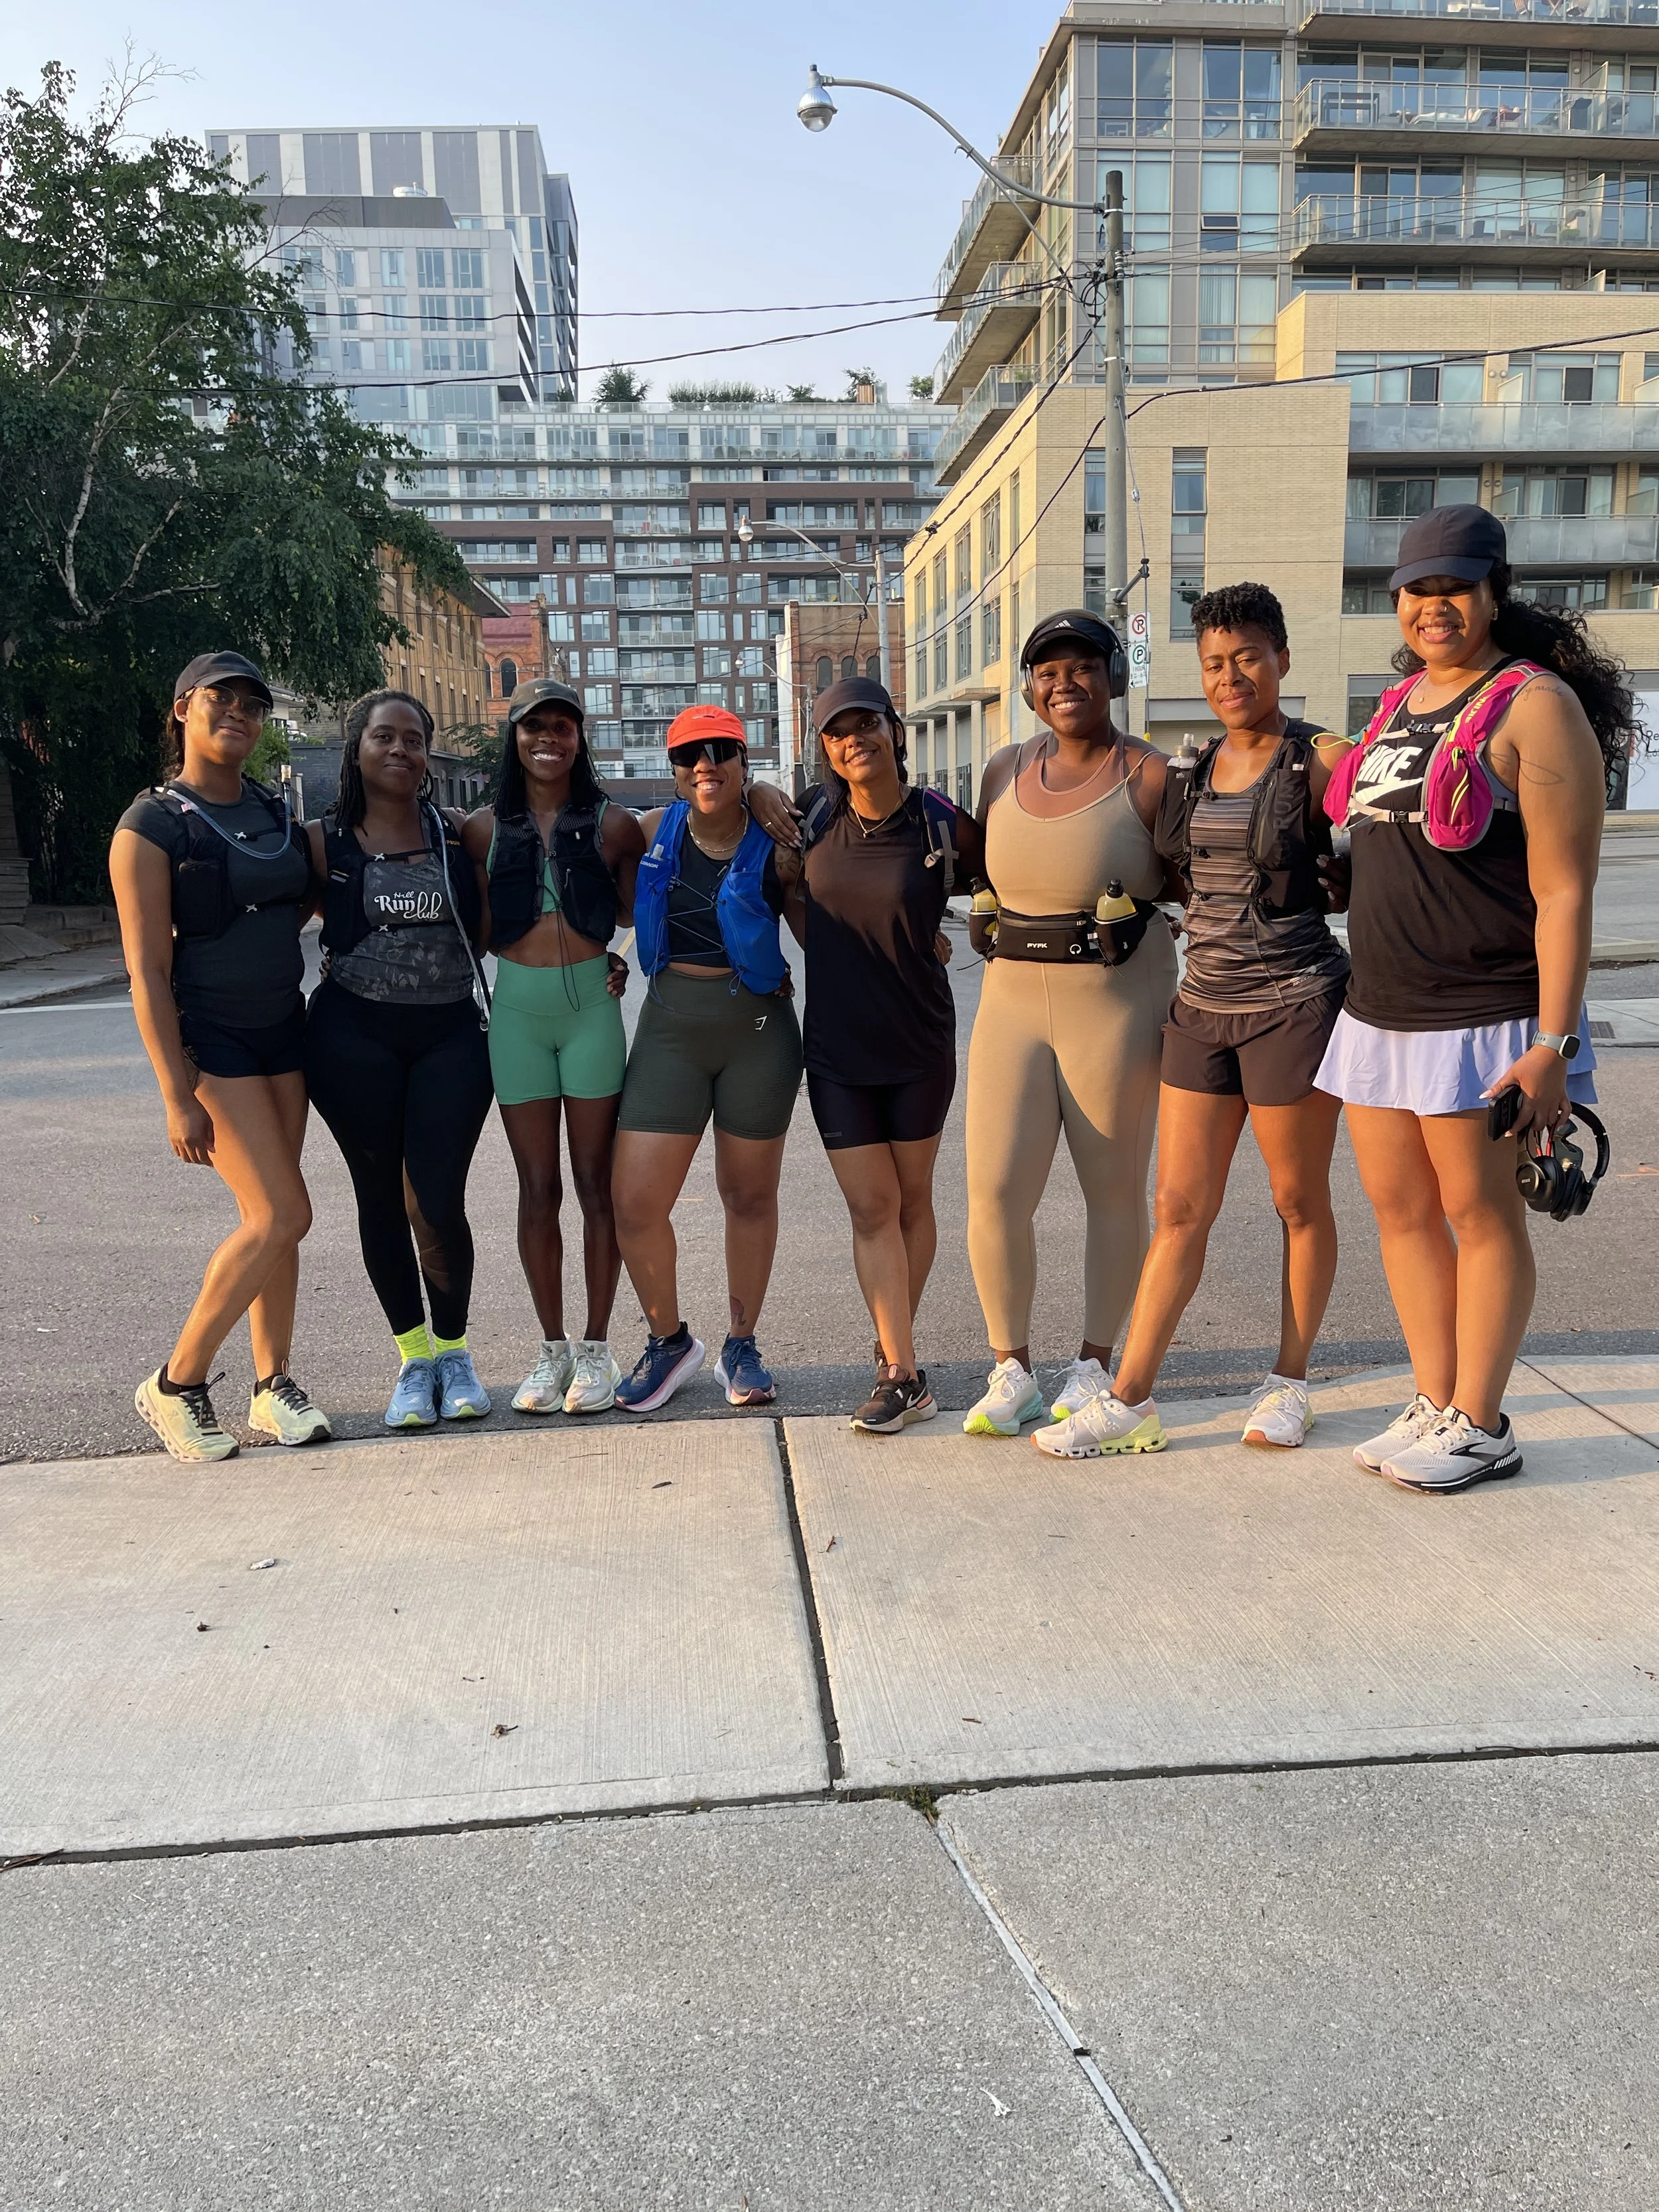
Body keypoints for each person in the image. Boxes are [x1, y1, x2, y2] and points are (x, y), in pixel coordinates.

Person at [1316, 504, 1622, 1493]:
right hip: (1381, 1008)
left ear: (1494, 591)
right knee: (1400, 1210)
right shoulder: (1396, 704)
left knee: (1480, 1213)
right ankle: (1437, 1396)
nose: (1434, 604)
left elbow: (1565, 888)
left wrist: (1554, 1043)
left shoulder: (1534, 703)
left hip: (1484, 1014)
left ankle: (1484, 1421)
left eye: (1455, 586)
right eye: (1417, 588)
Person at [1037, 581, 1352, 1460]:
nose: (1230, 675)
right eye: (1215, 662)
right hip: (1201, 1011)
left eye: (1248, 657)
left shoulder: (1318, 760)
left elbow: (1383, 844)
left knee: (1297, 1201)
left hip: (1294, 1007)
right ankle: (1132, 1397)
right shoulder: (1196, 766)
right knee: (1177, 1205)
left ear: (1282, 659)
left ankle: (1289, 1383)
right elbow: (1163, 868)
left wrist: (1353, 879)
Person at [961, 610, 1179, 1439]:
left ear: (1112, 675)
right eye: (1047, 671)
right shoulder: (1000, 769)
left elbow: (1203, 881)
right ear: (1028, 687)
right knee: (993, 1190)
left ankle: (1093, 1362)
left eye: (1083, 666)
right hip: (1011, 1004)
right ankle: (1009, 1366)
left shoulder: (1152, 775)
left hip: (1114, 1004)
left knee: (1111, 1191)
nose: (1064, 683)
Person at [110, 652, 330, 1461]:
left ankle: (272, 1388)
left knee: (275, 1223)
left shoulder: (273, 810)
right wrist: (177, 1091)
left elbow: (303, 896)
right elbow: (147, 970)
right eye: (220, 698)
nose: (238, 712)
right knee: (281, 1212)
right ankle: (175, 1383)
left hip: (283, 1031)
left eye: (252, 703)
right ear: (183, 711)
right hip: (216, 1043)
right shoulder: (150, 826)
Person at [792, 677, 985, 1433]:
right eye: (837, 732)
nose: (853, 740)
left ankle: (894, 1352)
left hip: (918, 1041)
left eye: (865, 723)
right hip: (837, 1048)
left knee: (910, 1202)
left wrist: (968, 929)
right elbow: (783, 892)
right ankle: (900, 1371)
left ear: (892, 730)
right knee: (871, 1207)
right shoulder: (809, 818)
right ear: (826, 750)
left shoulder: (940, 822)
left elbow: (1004, 881)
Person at [304, 690, 496, 1428]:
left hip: (449, 1034)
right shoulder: (323, 843)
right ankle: (414, 1361)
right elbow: (265, 919)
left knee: (437, 1200)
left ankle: (455, 1352)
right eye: (384, 737)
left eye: (413, 740)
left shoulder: (456, 836)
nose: (399, 750)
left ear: (426, 754)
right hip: (352, 1039)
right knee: (380, 1198)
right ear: (357, 748)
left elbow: (486, 927)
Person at [610, 705, 803, 1412]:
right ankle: (668, 1341)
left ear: (743, 759)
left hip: (757, 1033)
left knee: (748, 1196)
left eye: (721, 751)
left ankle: (741, 1344)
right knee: (634, 1202)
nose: (705, 765)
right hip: (669, 1032)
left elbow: (821, 921)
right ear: (672, 770)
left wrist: (772, 808)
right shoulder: (650, 831)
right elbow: (578, 879)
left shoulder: (777, 835)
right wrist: (591, 955)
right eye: (689, 755)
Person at [462, 678, 642, 1416]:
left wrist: (621, 954)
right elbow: (467, 922)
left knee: (598, 1186)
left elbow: (640, 906)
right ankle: (551, 1348)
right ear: (514, 735)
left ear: (579, 739)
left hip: (590, 1016)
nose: (548, 738)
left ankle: (597, 1348)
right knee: (537, 1190)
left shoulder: (612, 823)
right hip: (517, 1016)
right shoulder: (478, 828)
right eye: (535, 725)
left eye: (562, 727)